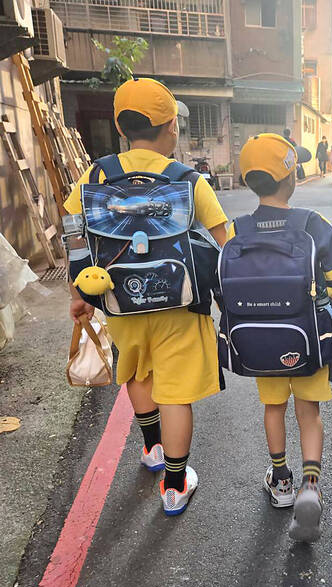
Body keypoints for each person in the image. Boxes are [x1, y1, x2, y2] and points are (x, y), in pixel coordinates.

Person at [65, 78, 228, 515]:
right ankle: (174, 485)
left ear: (121, 127)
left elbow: (73, 235)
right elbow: (224, 243)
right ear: (171, 126)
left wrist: (80, 291)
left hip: (119, 300)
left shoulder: (95, 175)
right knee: (175, 392)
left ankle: (152, 448)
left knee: (136, 371)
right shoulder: (188, 180)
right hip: (181, 304)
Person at [228, 133, 332, 541]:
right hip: (308, 339)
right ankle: (310, 485)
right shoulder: (313, 224)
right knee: (309, 413)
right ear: (292, 177)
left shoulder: (238, 229)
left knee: (274, 409)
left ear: (249, 182)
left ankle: (280, 480)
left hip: (261, 343)